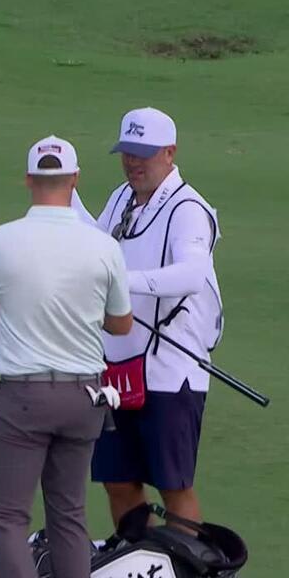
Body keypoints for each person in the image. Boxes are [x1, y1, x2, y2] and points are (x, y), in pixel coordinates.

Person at [0, 135, 133, 578]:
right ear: (75, 181)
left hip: (25, 396)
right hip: (85, 396)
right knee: (68, 516)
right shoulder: (103, 246)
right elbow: (121, 324)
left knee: (9, 517)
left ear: (27, 181)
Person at [89, 107, 224, 530]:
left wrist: (125, 282)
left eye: (142, 153)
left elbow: (192, 273)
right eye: (126, 152)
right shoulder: (120, 198)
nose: (132, 162)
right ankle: (141, 571)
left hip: (171, 370)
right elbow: (94, 247)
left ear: (170, 153)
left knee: (173, 484)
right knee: (117, 479)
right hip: (117, 367)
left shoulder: (188, 209)